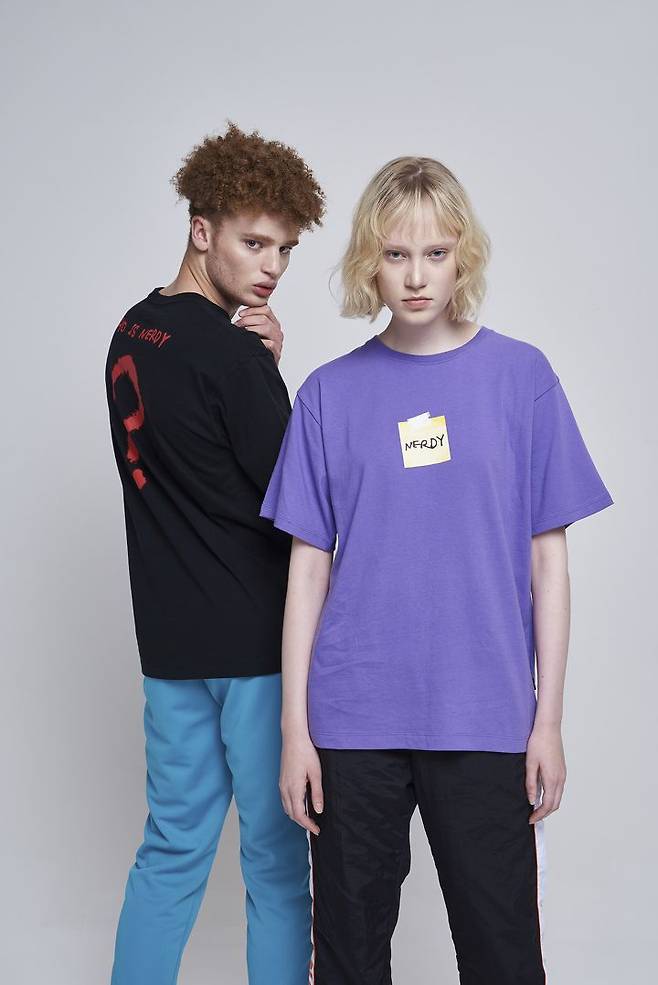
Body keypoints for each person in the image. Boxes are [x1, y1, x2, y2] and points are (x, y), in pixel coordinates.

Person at [259, 155, 614, 984]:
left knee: (503, 958)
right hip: (352, 721)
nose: (416, 276)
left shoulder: (522, 379)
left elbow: (549, 562)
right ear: (368, 262)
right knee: (347, 962)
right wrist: (294, 731)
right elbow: (307, 572)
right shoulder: (328, 395)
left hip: (485, 714)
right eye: (395, 254)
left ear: (464, 257)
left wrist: (548, 721)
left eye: (435, 253)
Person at [105, 122, 325, 985]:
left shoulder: (132, 330)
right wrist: (270, 372)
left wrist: (254, 366)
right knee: (276, 861)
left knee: (170, 847)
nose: (272, 267)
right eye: (253, 242)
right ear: (202, 229)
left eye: (285, 248)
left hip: (169, 644)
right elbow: (301, 501)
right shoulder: (234, 356)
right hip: (256, 644)